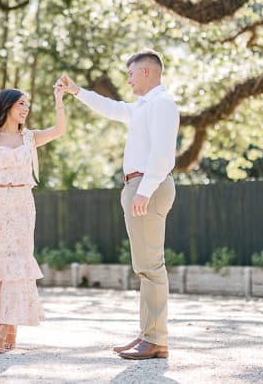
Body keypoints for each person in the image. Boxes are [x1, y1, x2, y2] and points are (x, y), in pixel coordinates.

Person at [59, 49, 179, 360]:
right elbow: (111, 108)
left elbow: (163, 154)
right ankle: (148, 335)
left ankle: (156, 339)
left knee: (150, 267)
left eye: (131, 74)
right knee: (145, 267)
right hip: (139, 185)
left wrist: (145, 191)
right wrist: (77, 91)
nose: (128, 80)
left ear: (146, 72)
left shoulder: (162, 104)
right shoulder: (143, 106)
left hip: (147, 186)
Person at [0, 85, 66, 353]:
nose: (26, 109)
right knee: (0, 265)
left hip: (23, 205)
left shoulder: (29, 138)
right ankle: (6, 328)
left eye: (28, 104)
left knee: (18, 264)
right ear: (7, 105)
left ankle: (5, 328)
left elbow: (60, 130)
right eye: (21, 104)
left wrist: (59, 99)